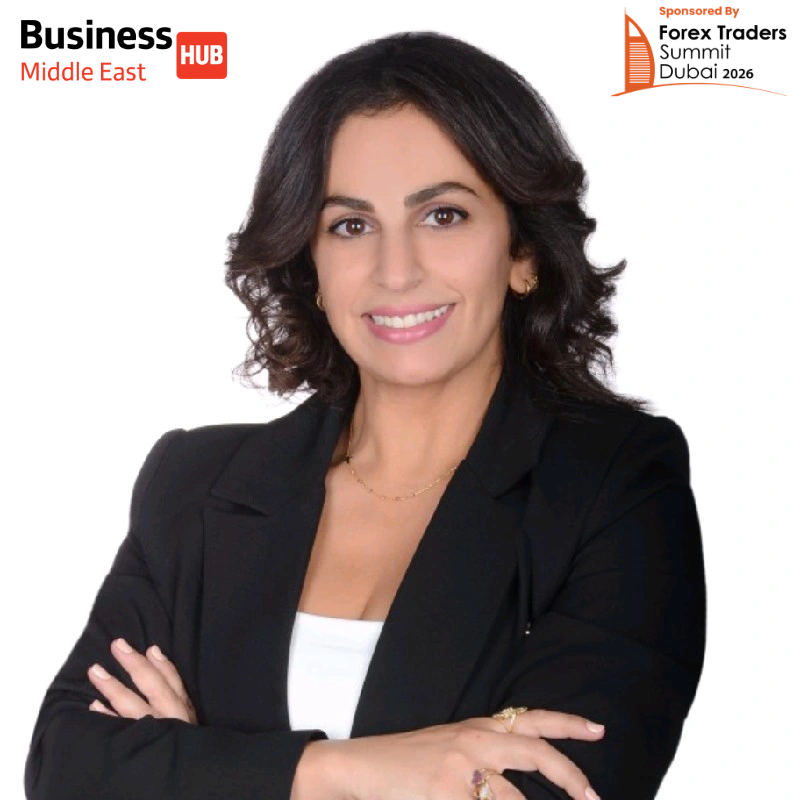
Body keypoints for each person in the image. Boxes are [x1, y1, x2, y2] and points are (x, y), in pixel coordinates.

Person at [23, 30, 706, 800]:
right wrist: (346, 769)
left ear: (524, 254)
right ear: (311, 267)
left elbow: (550, 791)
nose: (396, 270)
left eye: (443, 216)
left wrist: (197, 766)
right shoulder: (196, 486)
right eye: (350, 225)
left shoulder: (614, 487)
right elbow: (66, 767)